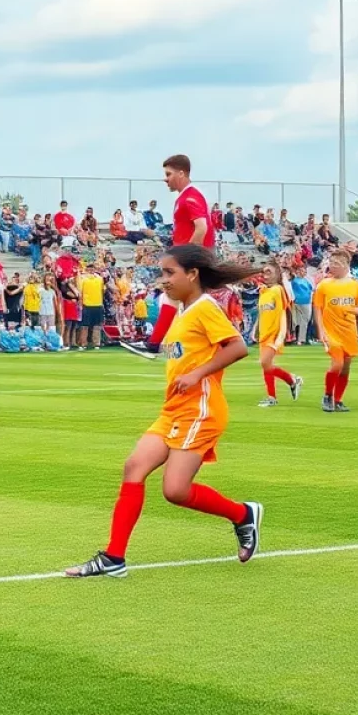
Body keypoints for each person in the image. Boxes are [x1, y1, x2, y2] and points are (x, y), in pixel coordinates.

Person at [64, 245, 262, 578]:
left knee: (175, 491)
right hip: (174, 410)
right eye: (162, 273)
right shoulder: (183, 311)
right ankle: (114, 558)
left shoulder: (204, 307)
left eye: (170, 273)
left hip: (200, 410)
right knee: (134, 467)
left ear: (193, 274)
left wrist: (198, 373)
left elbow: (239, 346)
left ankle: (243, 515)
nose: (163, 280)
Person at [123, 154, 212, 359]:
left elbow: (202, 227)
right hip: (187, 258)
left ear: (181, 173)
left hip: (189, 259)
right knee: (177, 299)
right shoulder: (185, 197)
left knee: (175, 297)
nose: (165, 178)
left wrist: (188, 257)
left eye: (168, 174)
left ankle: (155, 345)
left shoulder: (190, 197)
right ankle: (160, 344)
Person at [313, 250, 358, 413]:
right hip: (331, 331)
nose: (332, 266)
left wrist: (354, 310)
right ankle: (327, 395)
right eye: (331, 262)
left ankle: (338, 400)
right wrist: (321, 331)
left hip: (349, 331)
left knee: (346, 366)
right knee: (337, 363)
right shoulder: (324, 285)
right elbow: (317, 308)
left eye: (336, 263)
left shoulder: (355, 285)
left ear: (346, 265)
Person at [254, 263, 303, 407]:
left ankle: (275, 394)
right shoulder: (263, 292)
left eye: (268, 271)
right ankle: (290, 382)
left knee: (265, 362)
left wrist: (281, 336)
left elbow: (282, 313)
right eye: (263, 272)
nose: (265, 275)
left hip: (274, 334)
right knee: (267, 365)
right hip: (264, 334)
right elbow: (262, 314)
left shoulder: (278, 290)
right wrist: (255, 330)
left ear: (277, 273)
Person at [78, 266, 105, 350]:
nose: (91, 270)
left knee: (97, 326)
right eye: (89, 269)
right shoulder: (83, 279)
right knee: (84, 325)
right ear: (86, 270)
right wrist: (80, 304)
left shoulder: (100, 279)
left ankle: (96, 343)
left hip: (98, 304)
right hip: (87, 305)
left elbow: (103, 290)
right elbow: (80, 292)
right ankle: (83, 344)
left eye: (92, 268)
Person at [290, 265, 314, 345]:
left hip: (306, 302)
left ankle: (301, 339)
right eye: (303, 271)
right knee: (297, 321)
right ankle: (296, 338)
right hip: (299, 302)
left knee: (304, 320)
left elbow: (311, 289)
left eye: (305, 271)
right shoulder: (294, 281)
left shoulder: (305, 280)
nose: (304, 273)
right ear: (298, 271)